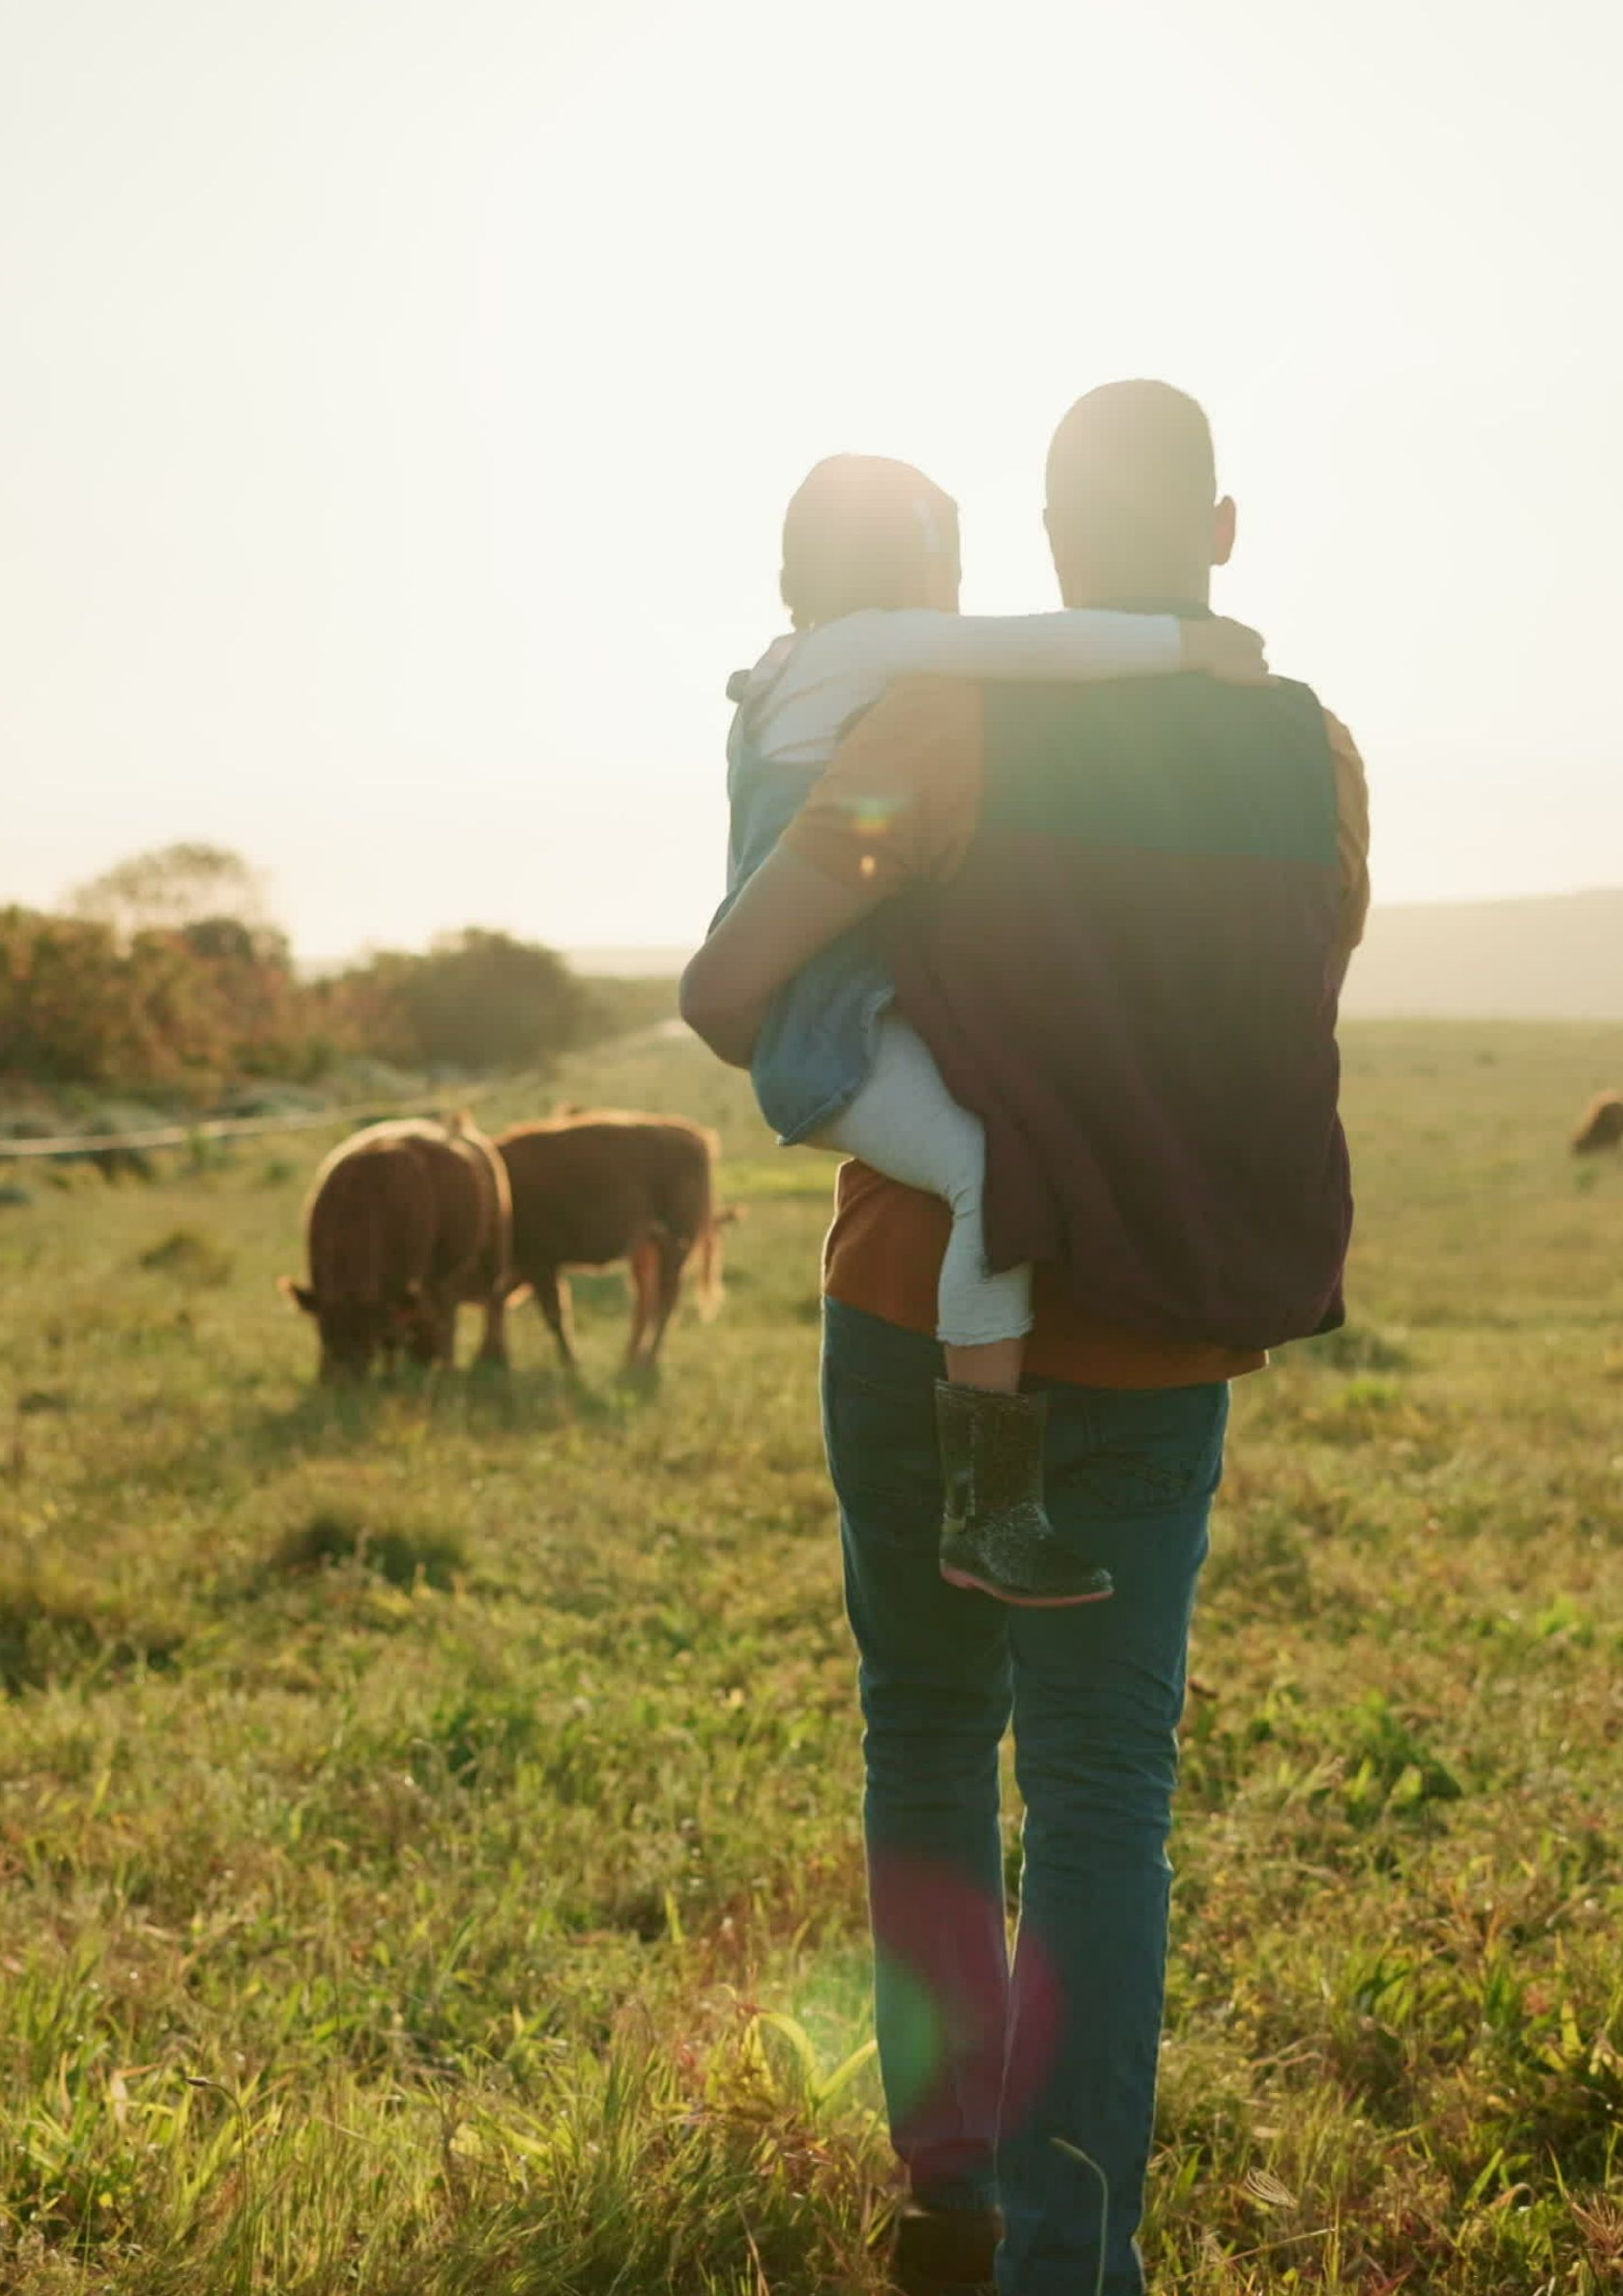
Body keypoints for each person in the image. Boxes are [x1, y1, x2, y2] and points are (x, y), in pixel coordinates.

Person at [680, 381, 1368, 2296]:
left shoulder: (942, 719)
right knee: (1102, 1805)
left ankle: (947, 2196)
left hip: (917, 1313)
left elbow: (737, 984)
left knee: (923, 1737)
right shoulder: (1315, 757)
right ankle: (1073, 2267)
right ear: (1217, 536)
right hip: (1157, 1335)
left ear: (1045, 557)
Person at [717, 452, 1269, 1607]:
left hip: (842, 1007)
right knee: (989, 1171)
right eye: (949, 564)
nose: (961, 595)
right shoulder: (874, 649)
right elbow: (1040, 650)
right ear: (909, 570)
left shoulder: (790, 668)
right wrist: (1189, 649)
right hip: (835, 1023)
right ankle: (991, 1508)